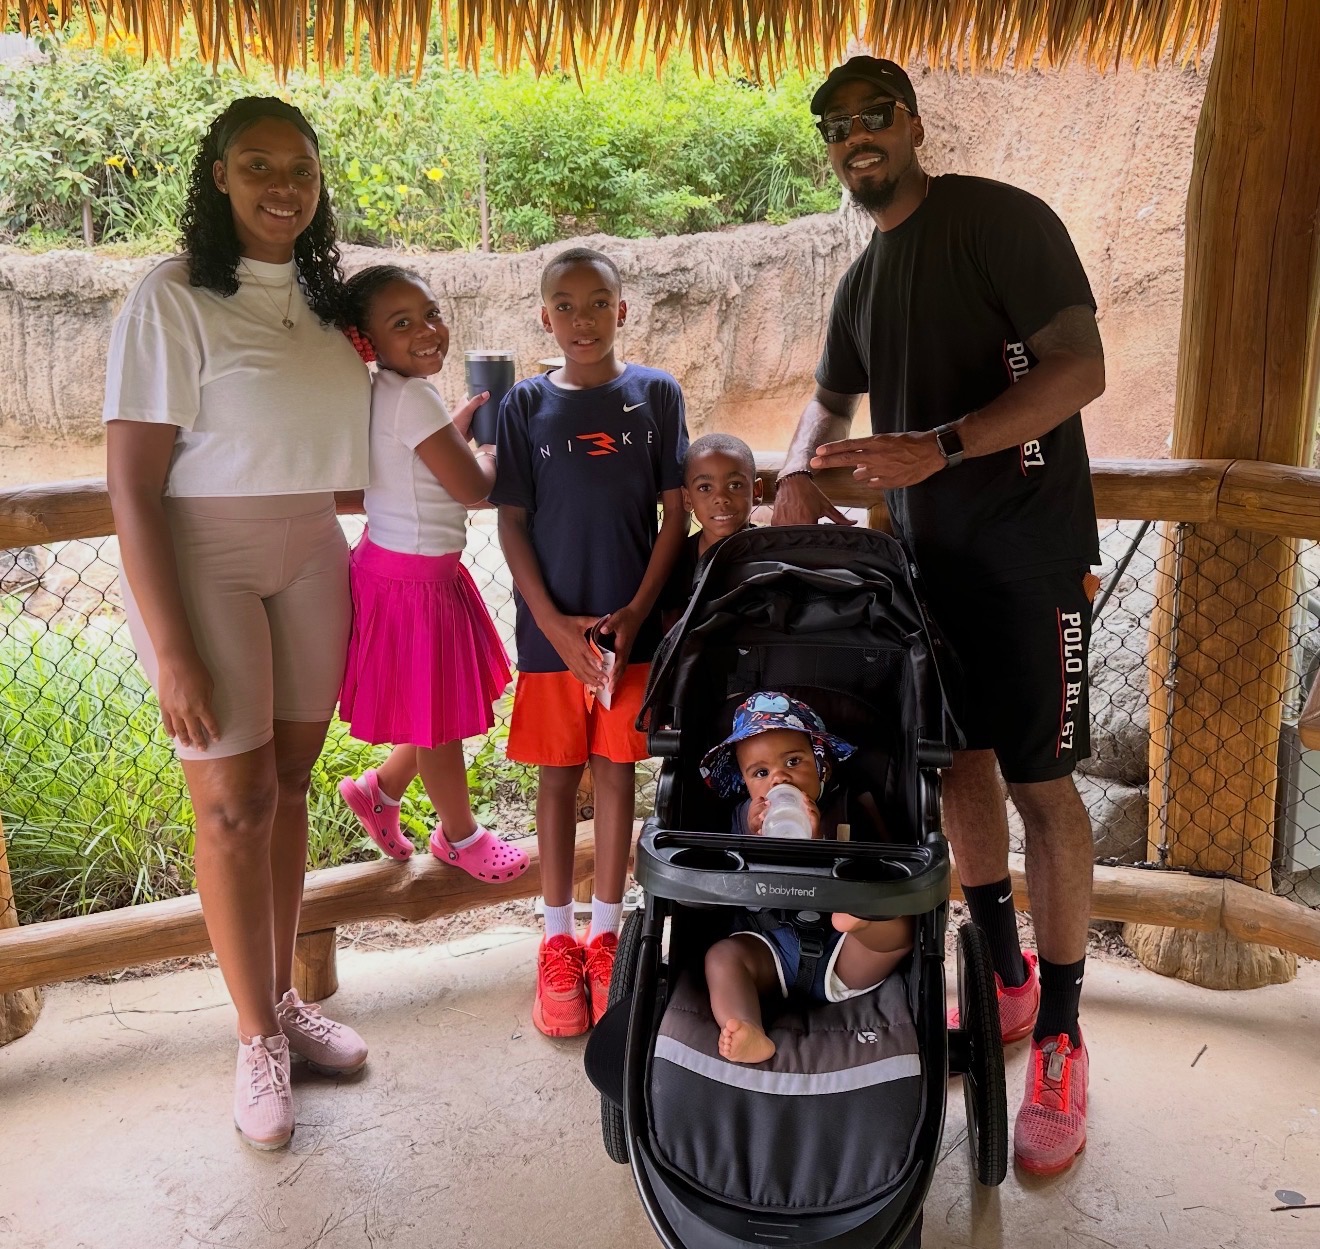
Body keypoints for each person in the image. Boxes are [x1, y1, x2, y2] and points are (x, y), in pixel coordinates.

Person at [773, 57, 1106, 1177]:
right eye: (836, 126)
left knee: (1043, 789)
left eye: (874, 116)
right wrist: (793, 477)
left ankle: (1061, 1035)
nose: (856, 137)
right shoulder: (862, 281)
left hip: (1030, 556)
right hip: (924, 567)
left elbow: (1080, 369)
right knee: (960, 767)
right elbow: (827, 401)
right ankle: (1004, 977)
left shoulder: (1001, 222)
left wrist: (943, 446)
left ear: (913, 124)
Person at [104, 97, 371, 1150]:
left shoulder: (325, 299)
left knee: (289, 783)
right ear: (217, 174)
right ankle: (255, 1035)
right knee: (229, 805)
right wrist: (171, 646)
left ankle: (282, 1000)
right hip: (202, 554)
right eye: (257, 165)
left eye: (300, 168)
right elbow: (131, 484)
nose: (282, 186)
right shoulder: (171, 295)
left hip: (312, 548)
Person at [492, 246, 689, 1038]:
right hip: (552, 636)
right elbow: (511, 521)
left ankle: (607, 936)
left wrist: (638, 612)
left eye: (598, 301)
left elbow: (675, 515)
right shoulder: (525, 404)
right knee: (556, 778)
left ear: (622, 309)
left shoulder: (656, 395)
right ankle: (555, 942)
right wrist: (548, 621)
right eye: (566, 305)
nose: (583, 319)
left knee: (615, 772)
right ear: (546, 317)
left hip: (626, 634)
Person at [334, 265, 527, 881]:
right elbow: (471, 488)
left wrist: (452, 433)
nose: (427, 330)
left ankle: (381, 790)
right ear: (368, 340)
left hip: (394, 568)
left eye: (431, 314)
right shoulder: (414, 397)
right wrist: (492, 451)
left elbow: (413, 466)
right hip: (416, 582)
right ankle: (459, 836)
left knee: (429, 704)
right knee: (439, 722)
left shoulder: (385, 390)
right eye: (402, 323)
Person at [699, 692, 914, 1065]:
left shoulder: (848, 809)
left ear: (821, 765)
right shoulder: (741, 821)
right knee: (721, 958)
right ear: (745, 783)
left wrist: (821, 843)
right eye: (760, 773)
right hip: (769, 945)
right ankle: (746, 1026)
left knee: (896, 927)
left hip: (842, 950)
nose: (779, 778)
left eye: (793, 762)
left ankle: (860, 920)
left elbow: (883, 871)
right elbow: (721, 880)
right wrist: (751, 839)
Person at [659, 432, 762, 630]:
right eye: (705, 488)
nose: (721, 498)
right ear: (687, 498)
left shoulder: (772, 554)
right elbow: (670, 630)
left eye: (735, 485)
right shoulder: (675, 562)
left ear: (756, 491)